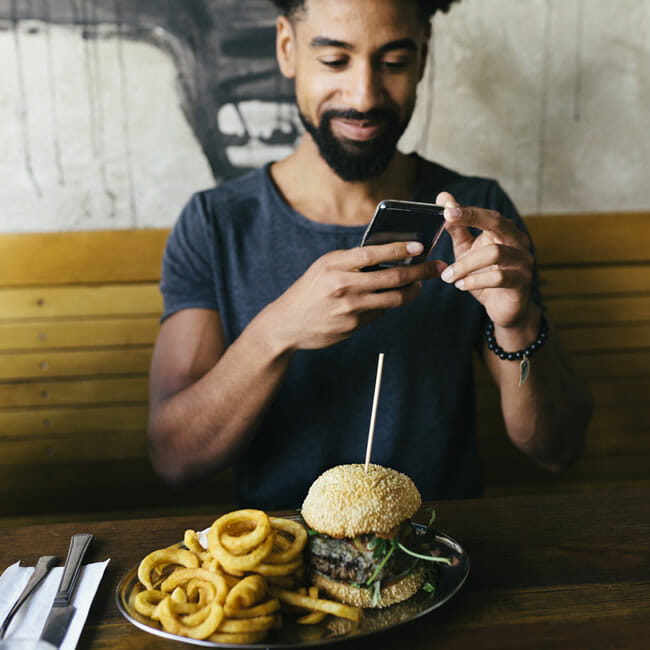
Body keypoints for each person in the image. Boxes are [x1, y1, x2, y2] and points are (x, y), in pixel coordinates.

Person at [147, 0, 592, 509]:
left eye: (394, 62)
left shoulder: (477, 213)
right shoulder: (215, 223)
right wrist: (278, 330)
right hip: (277, 563)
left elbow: (558, 449)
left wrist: (520, 324)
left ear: (423, 58)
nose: (364, 96)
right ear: (287, 49)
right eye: (335, 61)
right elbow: (174, 459)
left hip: (441, 557)